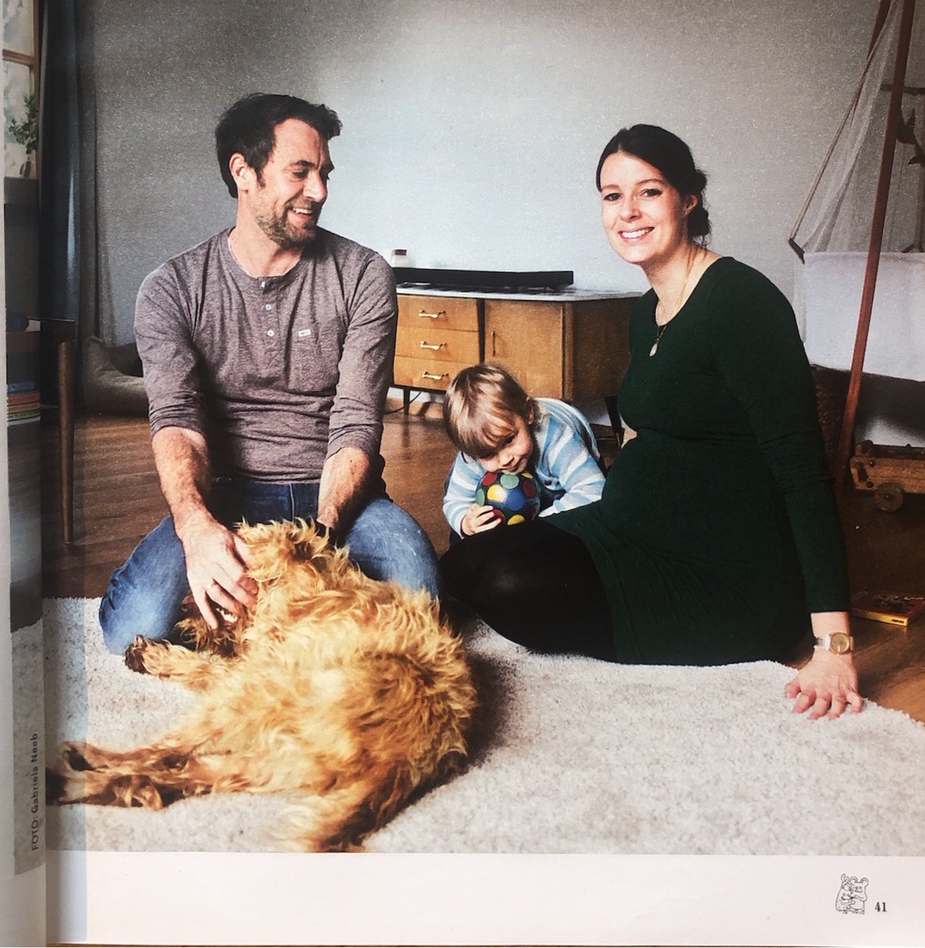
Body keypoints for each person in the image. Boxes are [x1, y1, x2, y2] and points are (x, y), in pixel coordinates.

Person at [441, 124, 863, 720]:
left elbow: (803, 475)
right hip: (632, 528)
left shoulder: (742, 302)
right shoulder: (647, 312)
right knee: (462, 561)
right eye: (612, 196)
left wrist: (833, 645)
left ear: (688, 199)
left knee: (507, 586)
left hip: (725, 574)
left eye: (649, 192)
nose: (628, 212)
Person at [99, 92, 438, 654]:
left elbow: (356, 423)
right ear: (243, 172)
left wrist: (318, 541)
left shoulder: (364, 275)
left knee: (419, 602)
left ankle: (272, 626)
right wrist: (196, 528)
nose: (319, 191)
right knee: (134, 626)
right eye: (300, 172)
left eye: (324, 173)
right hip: (227, 494)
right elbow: (177, 423)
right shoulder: (171, 288)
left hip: (337, 493)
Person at [441, 363, 606, 537]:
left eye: (509, 440)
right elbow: (455, 501)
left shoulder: (558, 438)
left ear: (528, 413)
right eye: (488, 454)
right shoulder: (476, 449)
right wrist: (466, 523)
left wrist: (537, 525)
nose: (505, 460)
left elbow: (593, 490)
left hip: (569, 429)